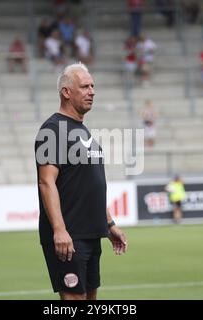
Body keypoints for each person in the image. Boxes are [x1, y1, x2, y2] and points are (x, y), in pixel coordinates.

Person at [34, 62, 128, 300]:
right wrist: (59, 230)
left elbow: (88, 187)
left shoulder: (83, 131)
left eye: (93, 86)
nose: (92, 91)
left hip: (91, 234)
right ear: (66, 92)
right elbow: (46, 182)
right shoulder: (52, 130)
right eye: (85, 86)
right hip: (69, 237)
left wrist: (109, 224)